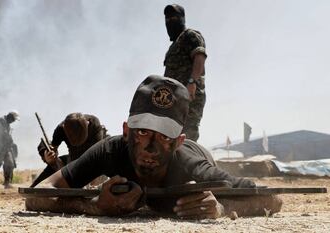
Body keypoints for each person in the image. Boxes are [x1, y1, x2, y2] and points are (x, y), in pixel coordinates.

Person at [25, 75, 282, 218]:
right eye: (144, 132)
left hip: (201, 152)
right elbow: (36, 197)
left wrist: (223, 208)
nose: (150, 148)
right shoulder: (111, 149)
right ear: (126, 131)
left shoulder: (192, 164)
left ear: (178, 141)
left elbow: (274, 200)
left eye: (163, 137)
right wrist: (92, 206)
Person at [163, 4, 207, 142]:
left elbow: (199, 56)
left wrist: (192, 82)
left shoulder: (190, 35)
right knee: (172, 138)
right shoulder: (173, 46)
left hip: (189, 97)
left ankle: (192, 162)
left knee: (187, 137)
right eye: (168, 18)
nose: (170, 21)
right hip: (174, 101)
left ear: (182, 19)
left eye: (174, 17)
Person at [30, 113, 106, 187]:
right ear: (64, 128)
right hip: (71, 163)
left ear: (87, 124)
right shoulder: (61, 129)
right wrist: (49, 158)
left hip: (92, 163)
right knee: (35, 190)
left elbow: (97, 156)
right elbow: (53, 149)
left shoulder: (95, 125)